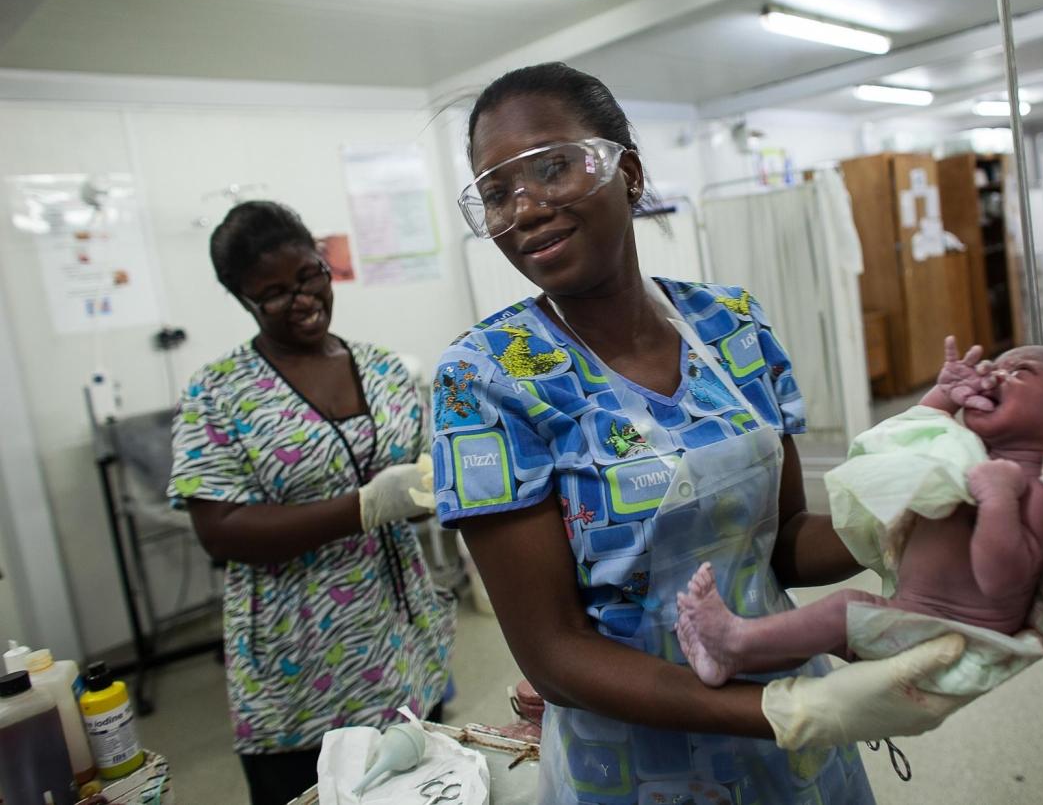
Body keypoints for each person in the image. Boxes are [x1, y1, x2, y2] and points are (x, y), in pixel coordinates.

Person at [428, 62, 966, 805]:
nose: (524, 207)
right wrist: (787, 712)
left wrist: (909, 499)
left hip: (795, 756)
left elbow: (782, 545)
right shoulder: (486, 377)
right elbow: (552, 654)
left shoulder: (730, 326)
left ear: (630, 173)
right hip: (637, 766)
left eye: (552, 167)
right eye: (495, 192)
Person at [168, 201, 455, 805]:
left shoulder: (381, 368)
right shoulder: (218, 391)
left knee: (424, 786)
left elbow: (426, 477)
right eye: (271, 293)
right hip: (297, 661)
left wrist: (431, 492)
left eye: (308, 276)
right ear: (243, 300)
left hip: (401, 638)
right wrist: (365, 507)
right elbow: (220, 531)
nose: (300, 299)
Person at [676, 337, 1043, 687]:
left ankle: (736, 642)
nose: (994, 374)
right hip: (916, 614)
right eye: (996, 364)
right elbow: (897, 442)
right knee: (826, 629)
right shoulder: (978, 453)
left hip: (949, 633)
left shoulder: (1038, 488)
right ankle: (731, 659)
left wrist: (997, 501)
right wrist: (943, 397)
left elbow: (1002, 577)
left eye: (1021, 372)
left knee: (840, 612)